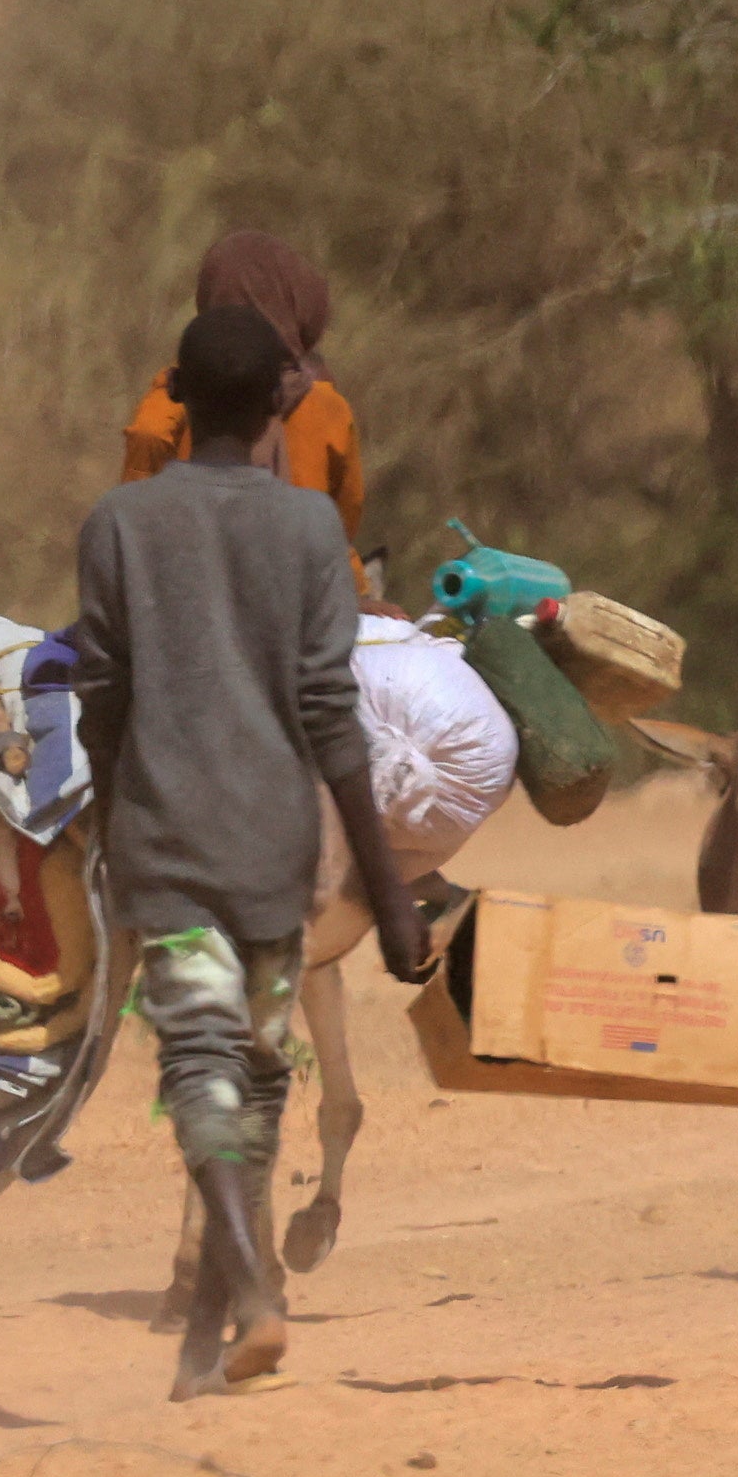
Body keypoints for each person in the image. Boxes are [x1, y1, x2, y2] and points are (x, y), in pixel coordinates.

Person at [68, 301, 430, 1398]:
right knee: (257, 1077)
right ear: (283, 395)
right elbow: (332, 714)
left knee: (201, 1071)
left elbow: (100, 699)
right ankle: (221, 1333)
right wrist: (389, 885)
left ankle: (243, 1311)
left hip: (168, 840)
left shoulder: (118, 526)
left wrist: (106, 821)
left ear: (173, 393)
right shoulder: (312, 532)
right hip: (278, 849)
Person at [123, 232, 365, 556]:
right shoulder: (325, 407)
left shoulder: (181, 391)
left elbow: (145, 447)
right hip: (301, 584)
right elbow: (339, 529)